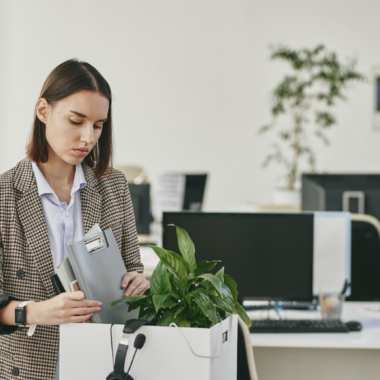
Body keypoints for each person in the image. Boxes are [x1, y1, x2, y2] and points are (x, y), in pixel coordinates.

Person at [0, 59, 150, 379]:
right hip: (30, 368)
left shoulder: (114, 186)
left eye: (97, 125)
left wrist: (139, 283)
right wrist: (39, 312)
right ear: (43, 111)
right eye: (76, 120)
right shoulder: (4, 195)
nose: (88, 137)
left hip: (104, 362)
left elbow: (133, 269)